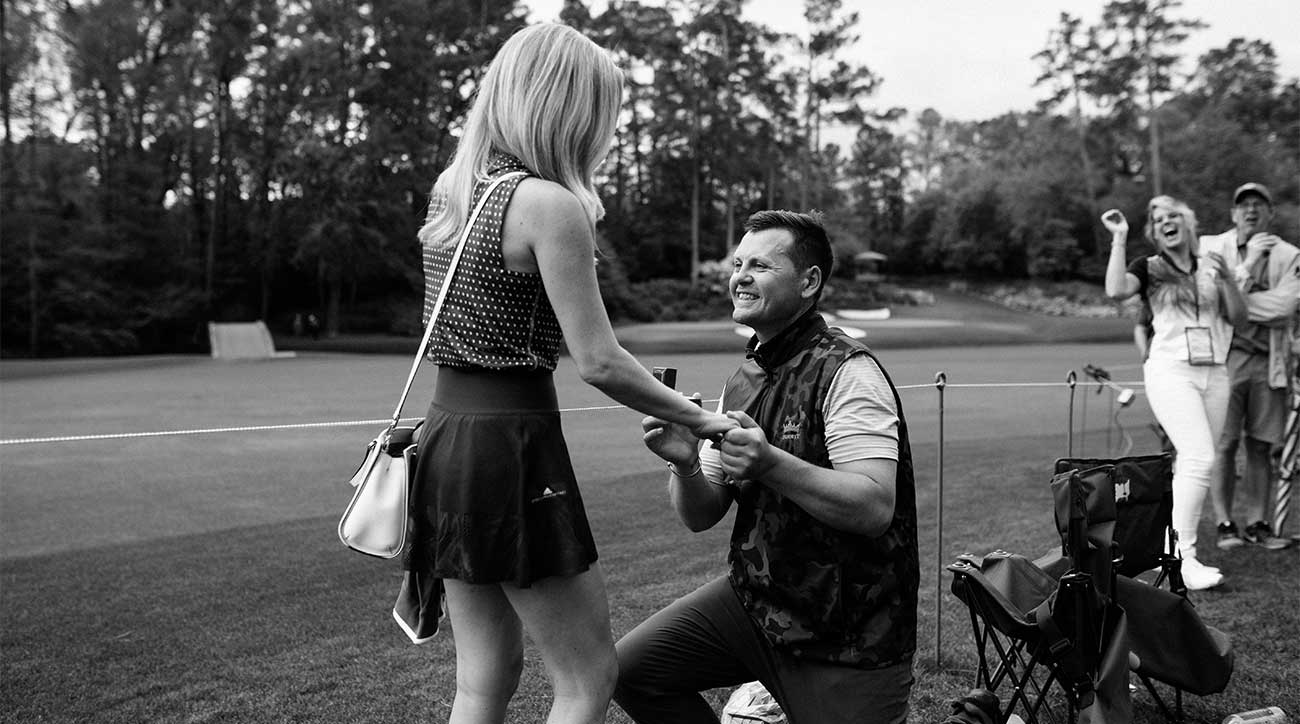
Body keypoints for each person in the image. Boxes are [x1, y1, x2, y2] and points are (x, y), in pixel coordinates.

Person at [397, 23, 737, 724]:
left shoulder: (452, 191)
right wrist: (701, 419)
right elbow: (599, 361)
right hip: (509, 450)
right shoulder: (549, 205)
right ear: (568, 108)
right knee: (588, 676)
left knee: (483, 678)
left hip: (445, 440)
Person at [614, 210, 919, 724]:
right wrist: (685, 464)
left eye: (760, 265)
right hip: (755, 606)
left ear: (809, 282)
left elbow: (873, 507)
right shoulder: (743, 380)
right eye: (738, 264)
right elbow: (700, 514)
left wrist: (769, 462)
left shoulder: (848, 371)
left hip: (850, 631)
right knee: (629, 671)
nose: (741, 276)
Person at [1102, 196, 1247, 590]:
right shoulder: (1148, 267)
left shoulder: (1212, 265)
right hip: (1171, 370)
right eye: (1157, 220)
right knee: (1200, 456)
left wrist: (1228, 280)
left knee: (1194, 462)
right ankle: (1183, 557)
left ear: (1188, 222)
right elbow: (1115, 290)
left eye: (1172, 215)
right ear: (1154, 232)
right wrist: (1120, 237)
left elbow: (1240, 317)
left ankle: (1170, 548)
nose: (1165, 222)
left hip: (1215, 373)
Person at [1199, 182, 1298, 551]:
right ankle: (1225, 523)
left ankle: (1257, 522)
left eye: (1259, 204)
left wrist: (1234, 302)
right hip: (1224, 360)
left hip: (1268, 361)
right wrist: (1248, 268)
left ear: (1270, 213)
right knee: (1224, 443)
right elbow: (1209, 299)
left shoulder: (1289, 254)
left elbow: (1285, 307)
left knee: (1260, 446)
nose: (1251, 210)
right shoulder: (1211, 247)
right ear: (1233, 213)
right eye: (1244, 205)